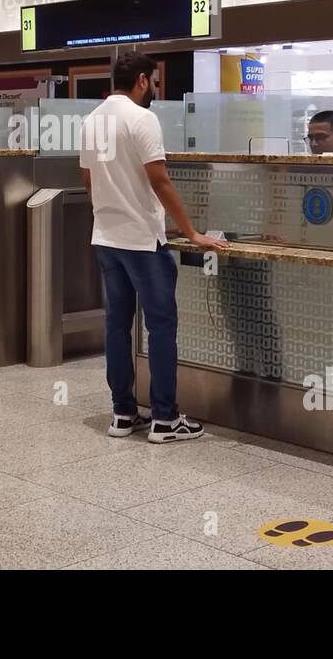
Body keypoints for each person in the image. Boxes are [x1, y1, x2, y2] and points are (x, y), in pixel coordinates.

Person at [79, 52, 227, 443]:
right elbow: (160, 180)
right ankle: (164, 419)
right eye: (154, 82)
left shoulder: (92, 120)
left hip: (105, 237)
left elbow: (89, 180)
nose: (155, 89)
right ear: (142, 80)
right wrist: (192, 233)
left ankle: (123, 413)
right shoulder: (143, 119)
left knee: (116, 326)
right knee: (161, 327)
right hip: (142, 240)